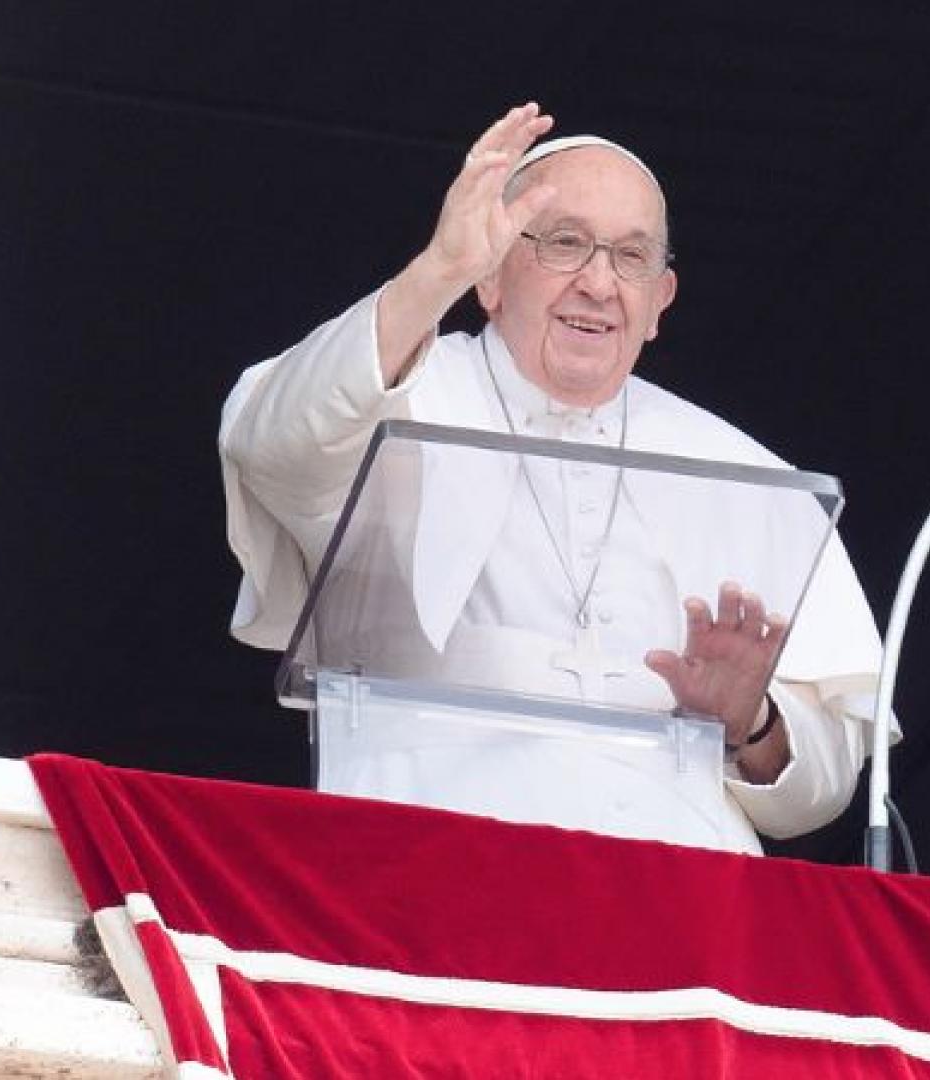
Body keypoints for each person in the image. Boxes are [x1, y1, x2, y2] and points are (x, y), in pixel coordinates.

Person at [220, 103, 883, 854]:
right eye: (565, 244)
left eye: (632, 258)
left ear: (659, 304)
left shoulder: (745, 473)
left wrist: (752, 723)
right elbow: (275, 443)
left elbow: (823, 788)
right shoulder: (403, 392)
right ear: (491, 277)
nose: (599, 283)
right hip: (429, 858)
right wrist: (434, 273)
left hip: (679, 896)